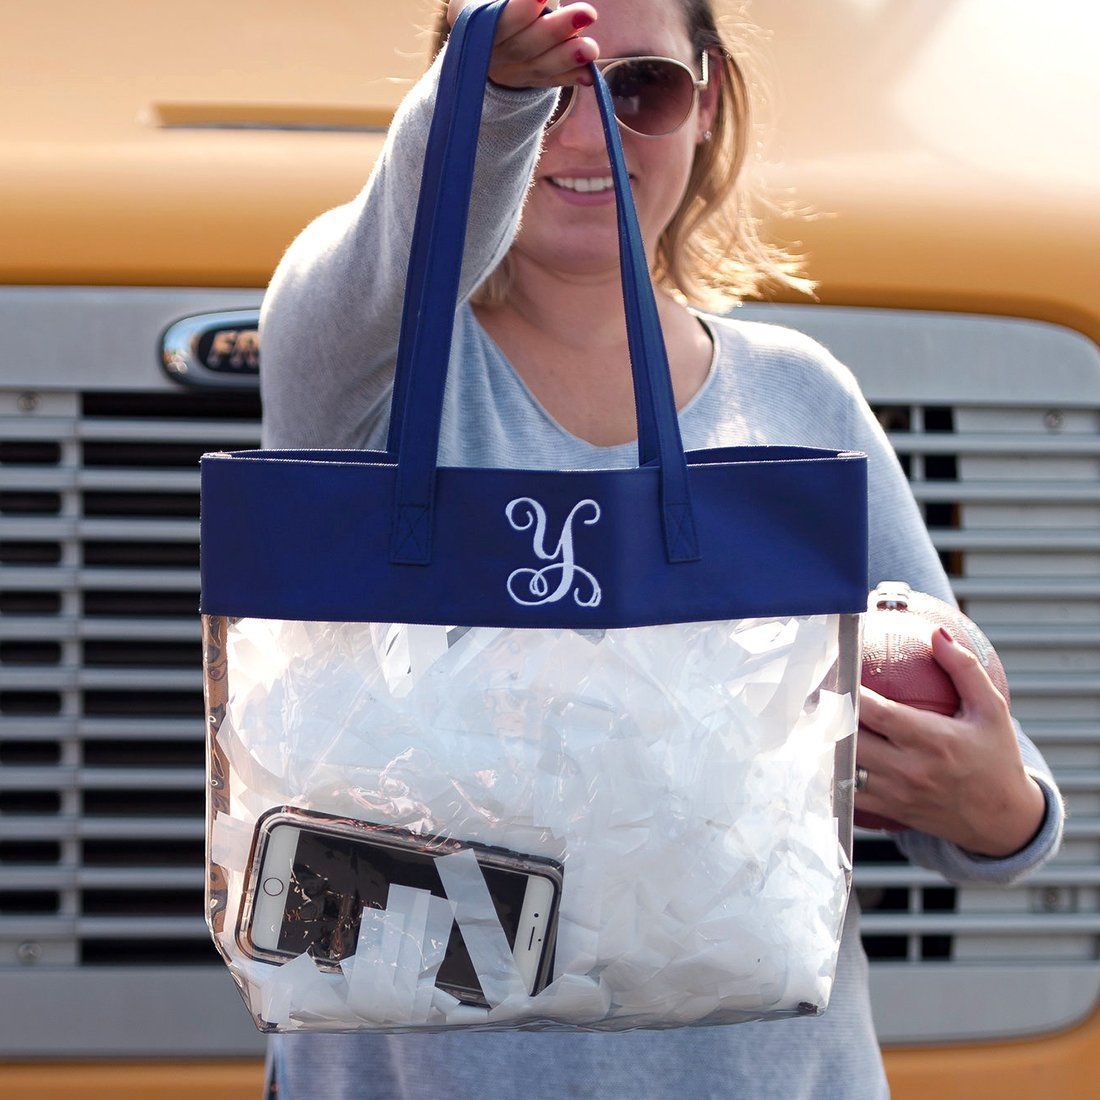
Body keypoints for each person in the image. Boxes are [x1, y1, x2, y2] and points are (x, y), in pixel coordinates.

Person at [257, 1, 1065, 1096]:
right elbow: (377, 261)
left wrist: (996, 805)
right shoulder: (370, 378)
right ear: (459, 104)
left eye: (636, 87)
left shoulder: (800, 400)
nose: (585, 134)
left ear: (708, 99)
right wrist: (488, 99)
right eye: (540, 90)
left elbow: (975, 789)